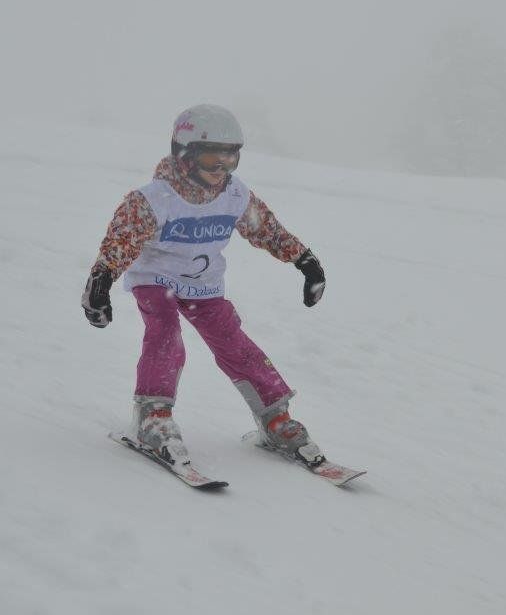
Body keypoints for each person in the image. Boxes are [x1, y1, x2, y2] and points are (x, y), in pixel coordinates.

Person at [81, 104, 327, 469]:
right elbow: (120, 242)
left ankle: (275, 418)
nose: (221, 168)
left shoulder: (235, 195)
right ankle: (153, 416)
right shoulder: (152, 199)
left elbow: (267, 230)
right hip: (156, 279)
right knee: (165, 332)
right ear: (184, 154)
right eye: (212, 158)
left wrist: (305, 262)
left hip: (204, 285)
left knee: (234, 342)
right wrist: (100, 283)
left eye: (230, 159)